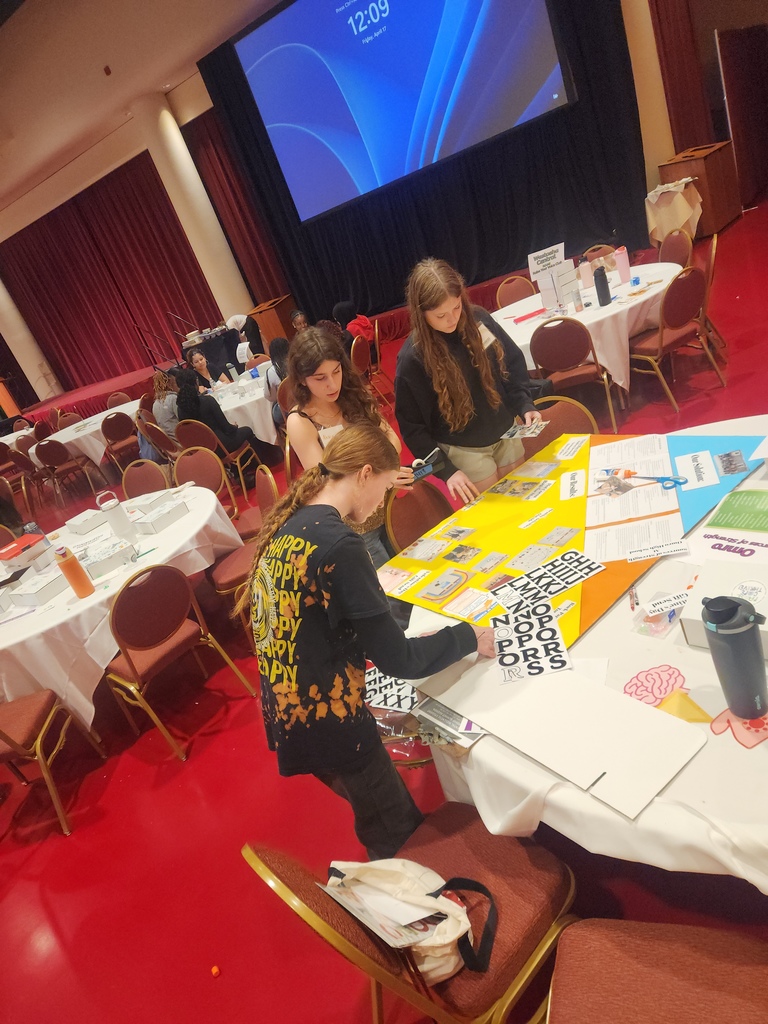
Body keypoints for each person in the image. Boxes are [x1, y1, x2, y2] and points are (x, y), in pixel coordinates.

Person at [237, 424, 494, 858]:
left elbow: (322, 618)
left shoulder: (299, 519)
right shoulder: (341, 543)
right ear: (365, 474)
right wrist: (468, 635)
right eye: (384, 488)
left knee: (377, 810)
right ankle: (411, 911)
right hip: (331, 722)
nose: (381, 504)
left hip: (291, 711)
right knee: (395, 832)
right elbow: (402, 662)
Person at [395, 258, 542, 504]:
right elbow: (412, 426)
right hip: (464, 447)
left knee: (524, 502)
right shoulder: (413, 358)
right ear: (422, 314)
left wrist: (524, 404)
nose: (452, 319)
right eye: (440, 315)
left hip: (505, 430)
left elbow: (511, 363)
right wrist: (446, 470)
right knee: (497, 514)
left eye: (456, 308)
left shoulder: (478, 319)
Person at [285, 326, 410, 568]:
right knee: (388, 590)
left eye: (337, 372)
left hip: (389, 504)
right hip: (357, 524)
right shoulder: (301, 421)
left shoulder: (353, 394)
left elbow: (392, 440)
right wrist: (384, 473)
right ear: (302, 379)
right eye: (320, 378)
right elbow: (329, 481)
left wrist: (384, 474)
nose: (332, 384)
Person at [175, 368, 282, 468]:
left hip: (202, 451)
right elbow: (227, 428)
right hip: (221, 446)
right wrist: (235, 426)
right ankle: (260, 462)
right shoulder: (207, 401)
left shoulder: (180, 409)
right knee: (248, 429)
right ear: (196, 382)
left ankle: (239, 469)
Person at [264, 336, 289, 427]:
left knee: (272, 412)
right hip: (305, 402)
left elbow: (270, 397)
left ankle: (279, 437)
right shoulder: (297, 363)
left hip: (287, 410)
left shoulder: (271, 371)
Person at [151, 368, 179, 438]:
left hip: (169, 440)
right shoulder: (173, 399)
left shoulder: (156, 402)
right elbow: (185, 420)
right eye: (177, 383)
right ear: (170, 385)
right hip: (179, 438)